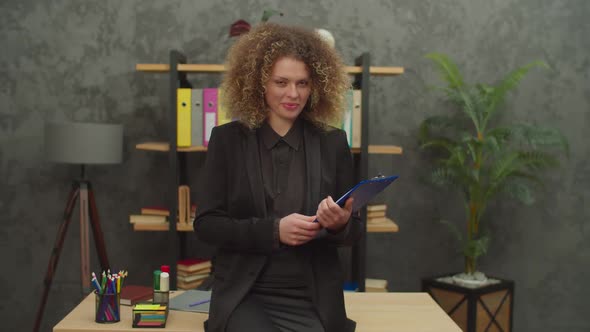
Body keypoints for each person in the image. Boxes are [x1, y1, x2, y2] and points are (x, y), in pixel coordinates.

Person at [194, 23, 362, 332]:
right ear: (259, 83)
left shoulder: (333, 142)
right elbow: (207, 224)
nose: (293, 94)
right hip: (245, 293)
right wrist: (274, 231)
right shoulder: (227, 140)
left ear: (316, 87)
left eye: (303, 83)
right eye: (281, 82)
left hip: (312, 296)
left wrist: (340, 224)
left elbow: (353, 232)